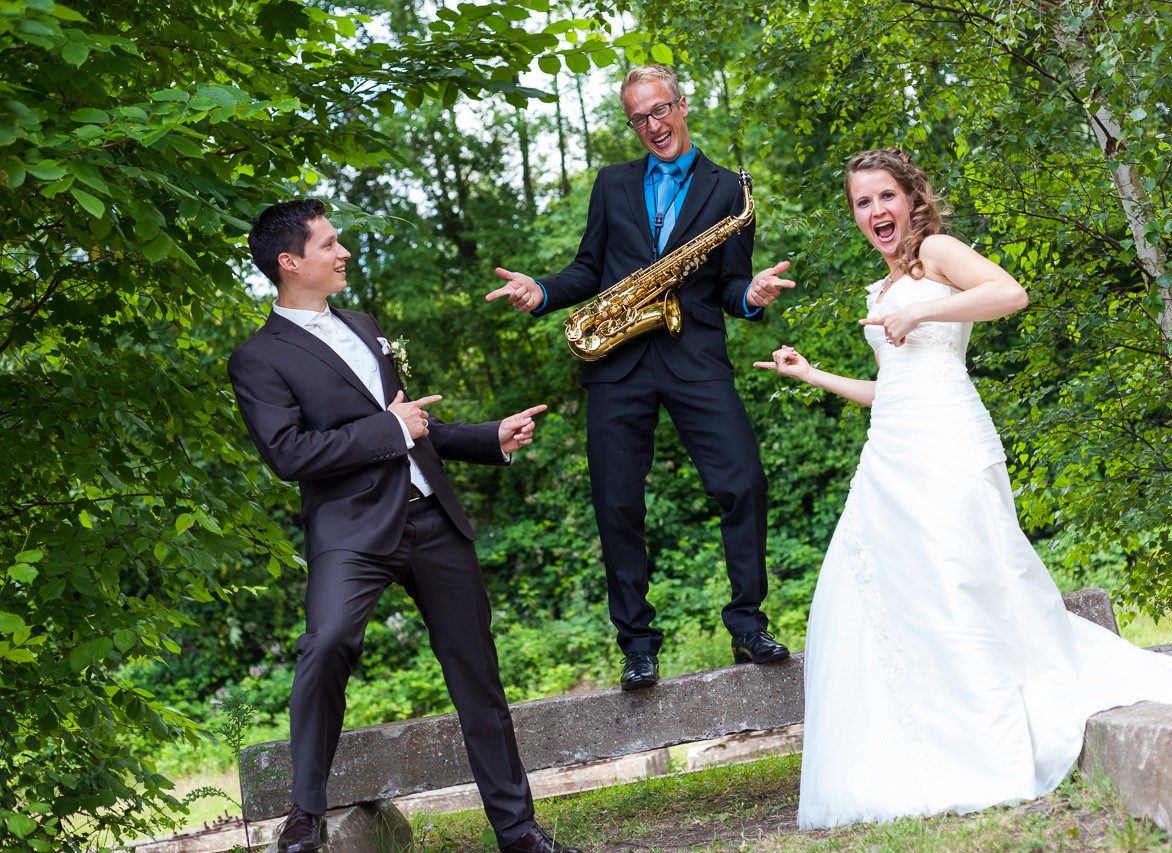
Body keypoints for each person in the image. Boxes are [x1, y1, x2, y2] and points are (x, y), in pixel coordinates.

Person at [754, 148, 1172, 829]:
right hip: (891, 453)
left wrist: (918, 317)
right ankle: (933, 739)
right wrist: (814, 374)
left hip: (950, 442)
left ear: (910, 199)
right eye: (862, 203)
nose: (876, 212)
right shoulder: (879, 290)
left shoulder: (940, 253)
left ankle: (988, 733)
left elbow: (1011, 293)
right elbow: (889, 389)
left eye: (885, 196)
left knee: (963, 576)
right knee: (893, 591)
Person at [228, 200, 580, 853]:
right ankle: (304, 814)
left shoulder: (364, 326)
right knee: (326, 643)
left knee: (477, 672)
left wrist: (488, 437)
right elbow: (290, 454)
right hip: (351, 530)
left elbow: (416, 425)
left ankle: (518, 829)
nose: (343, 253)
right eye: (330, 244)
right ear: (289, 260)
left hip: (434, 520)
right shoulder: (258, 358)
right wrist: (390, 427)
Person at [486, 64, 797, 691]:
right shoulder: (612, 183)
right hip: (618, 362)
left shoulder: (730, 189)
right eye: (638, 118)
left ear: (683, 105)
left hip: (695, 356)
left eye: (661, 110)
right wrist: (541, 290)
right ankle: (637, 642)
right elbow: (588, 268)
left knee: (743, 482)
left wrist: (755, 295)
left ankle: (747, 624)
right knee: (617, 505)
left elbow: (735, 284)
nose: (653, 126)